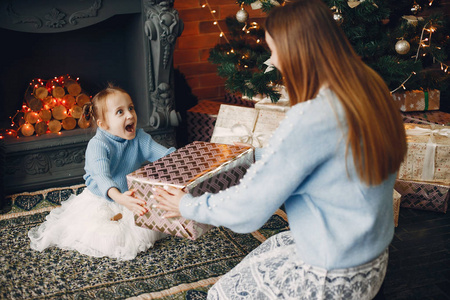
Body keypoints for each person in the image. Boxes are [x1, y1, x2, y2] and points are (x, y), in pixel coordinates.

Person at [153, 0, 407, 299]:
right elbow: (323, 158)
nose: (270, 62)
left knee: (219, 295)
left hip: (333, 277)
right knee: (276, 245)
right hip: (373, 259)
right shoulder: (369, 85)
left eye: (274, 51)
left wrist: (187, 205)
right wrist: (248, 156)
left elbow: (248, 210)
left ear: (297, 52)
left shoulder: (312, 117)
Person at [28, 84, 175, 260]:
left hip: (130, 194)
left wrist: (185, 160)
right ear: (103, 124)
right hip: (103, 197)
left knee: (162, 214)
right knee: (108, 236)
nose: (129, 115)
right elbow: (102, 177)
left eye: (131, 108)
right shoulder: (98, 145)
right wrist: (120, 198)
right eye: (120, 112)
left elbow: (165, 155)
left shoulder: (140, 137)